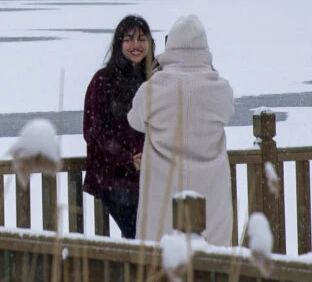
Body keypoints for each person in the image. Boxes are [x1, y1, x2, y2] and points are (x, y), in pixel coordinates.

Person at [128, 14, 236, 245]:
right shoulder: (221, 89)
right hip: (211, 197)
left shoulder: (153, 89)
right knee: (212, 265)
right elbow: (227, 113)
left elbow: (134, 120)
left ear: (170, 46)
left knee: (161, 262)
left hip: (163, 194)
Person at [82, 15, 156, 237]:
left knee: (153, 236)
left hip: (151, 175)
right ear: (119, 43)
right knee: (140, 235)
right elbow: (94, 130)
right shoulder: (104, 80)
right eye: (129, 39)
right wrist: (127, 159)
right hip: (113, 178)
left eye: (142, 38)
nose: (136, 45)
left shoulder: (155, 79)